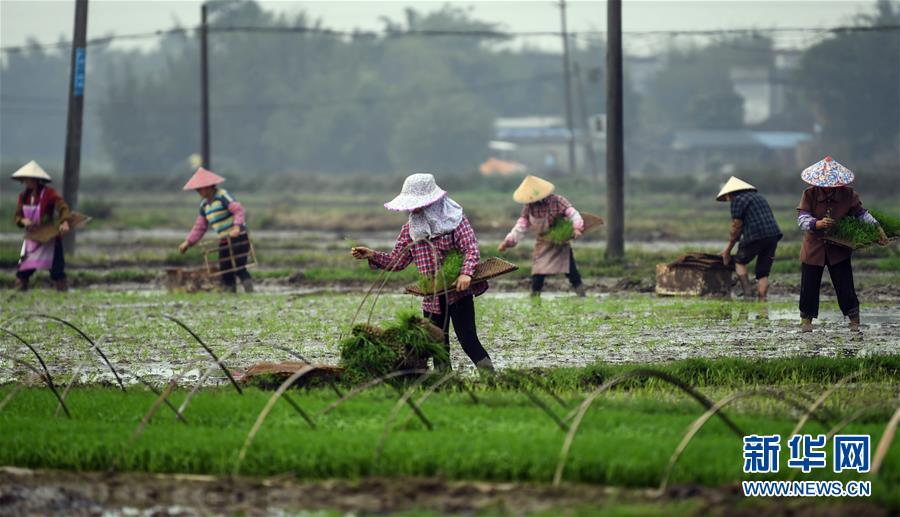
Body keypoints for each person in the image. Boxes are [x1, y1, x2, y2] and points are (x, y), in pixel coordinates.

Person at [350, 173, 494, 372]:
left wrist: (466, 273)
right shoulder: (410, 230)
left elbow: (471, 248)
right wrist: (372, 255)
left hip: (458, 292)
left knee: (468, 339)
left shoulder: (455, 220)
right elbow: (397, 261)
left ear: (431, 201)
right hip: (431, 296)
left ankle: (490, 377)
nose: (414, 208)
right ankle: (443, 381)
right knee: (438, 345)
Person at [796, 156, 888, 333]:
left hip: (838, 248)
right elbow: (802, 218)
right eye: (825, 185)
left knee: (845, 285)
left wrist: (878, 228)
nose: (828, 188)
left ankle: (854, 321)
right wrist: (817, 223)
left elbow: (861, 214)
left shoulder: (848, 194)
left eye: (832, 185)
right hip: (813, 247)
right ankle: (806, 322)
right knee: (809, 286)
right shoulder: (809, 194)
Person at [498, 175, 586, 299]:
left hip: (560, 243)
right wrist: (508, 241)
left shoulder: (557, 201)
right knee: (538, 274)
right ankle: (535, 300)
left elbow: (573, 214)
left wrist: (577, 228)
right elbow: (521, 226)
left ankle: (582, 296)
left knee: (571, 272)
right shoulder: (529, 207)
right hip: (543, 243)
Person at [177, 167, 254, 293]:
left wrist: (236, 227)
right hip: (224, 239)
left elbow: (238, 210)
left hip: (238, 236)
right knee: (225, 269)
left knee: (239, 266)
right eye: (197, 189)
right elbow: (200, 226)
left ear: (209, 186)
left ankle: (250, 292)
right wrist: (188, 242)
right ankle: (231, 295)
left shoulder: (223, 196)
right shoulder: (204, 206)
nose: (198, 191)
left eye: (200, 188)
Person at [716, 176, 783, 301]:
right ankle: (762, 299)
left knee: (739, 261)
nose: (728, 200)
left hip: (756, 235)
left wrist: (727, 251)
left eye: (727, 197)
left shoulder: (737, 200)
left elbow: (736, 227)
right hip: (773, 235)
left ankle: (748, 294)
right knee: (763, 272)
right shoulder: (759, 197)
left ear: (730, 193)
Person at [11, 161, 72, 292]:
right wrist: (23, 221)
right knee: (23, 269)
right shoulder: (23, 197)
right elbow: (17, 217)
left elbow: (62, 207)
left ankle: (63, 291)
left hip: (48, 236)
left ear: (35, 180)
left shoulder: (49, 193)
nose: (25, 182)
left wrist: (65, 221)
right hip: (33, 237)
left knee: (57, 269)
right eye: (24, 179)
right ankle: (19, 291)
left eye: (27, 179)